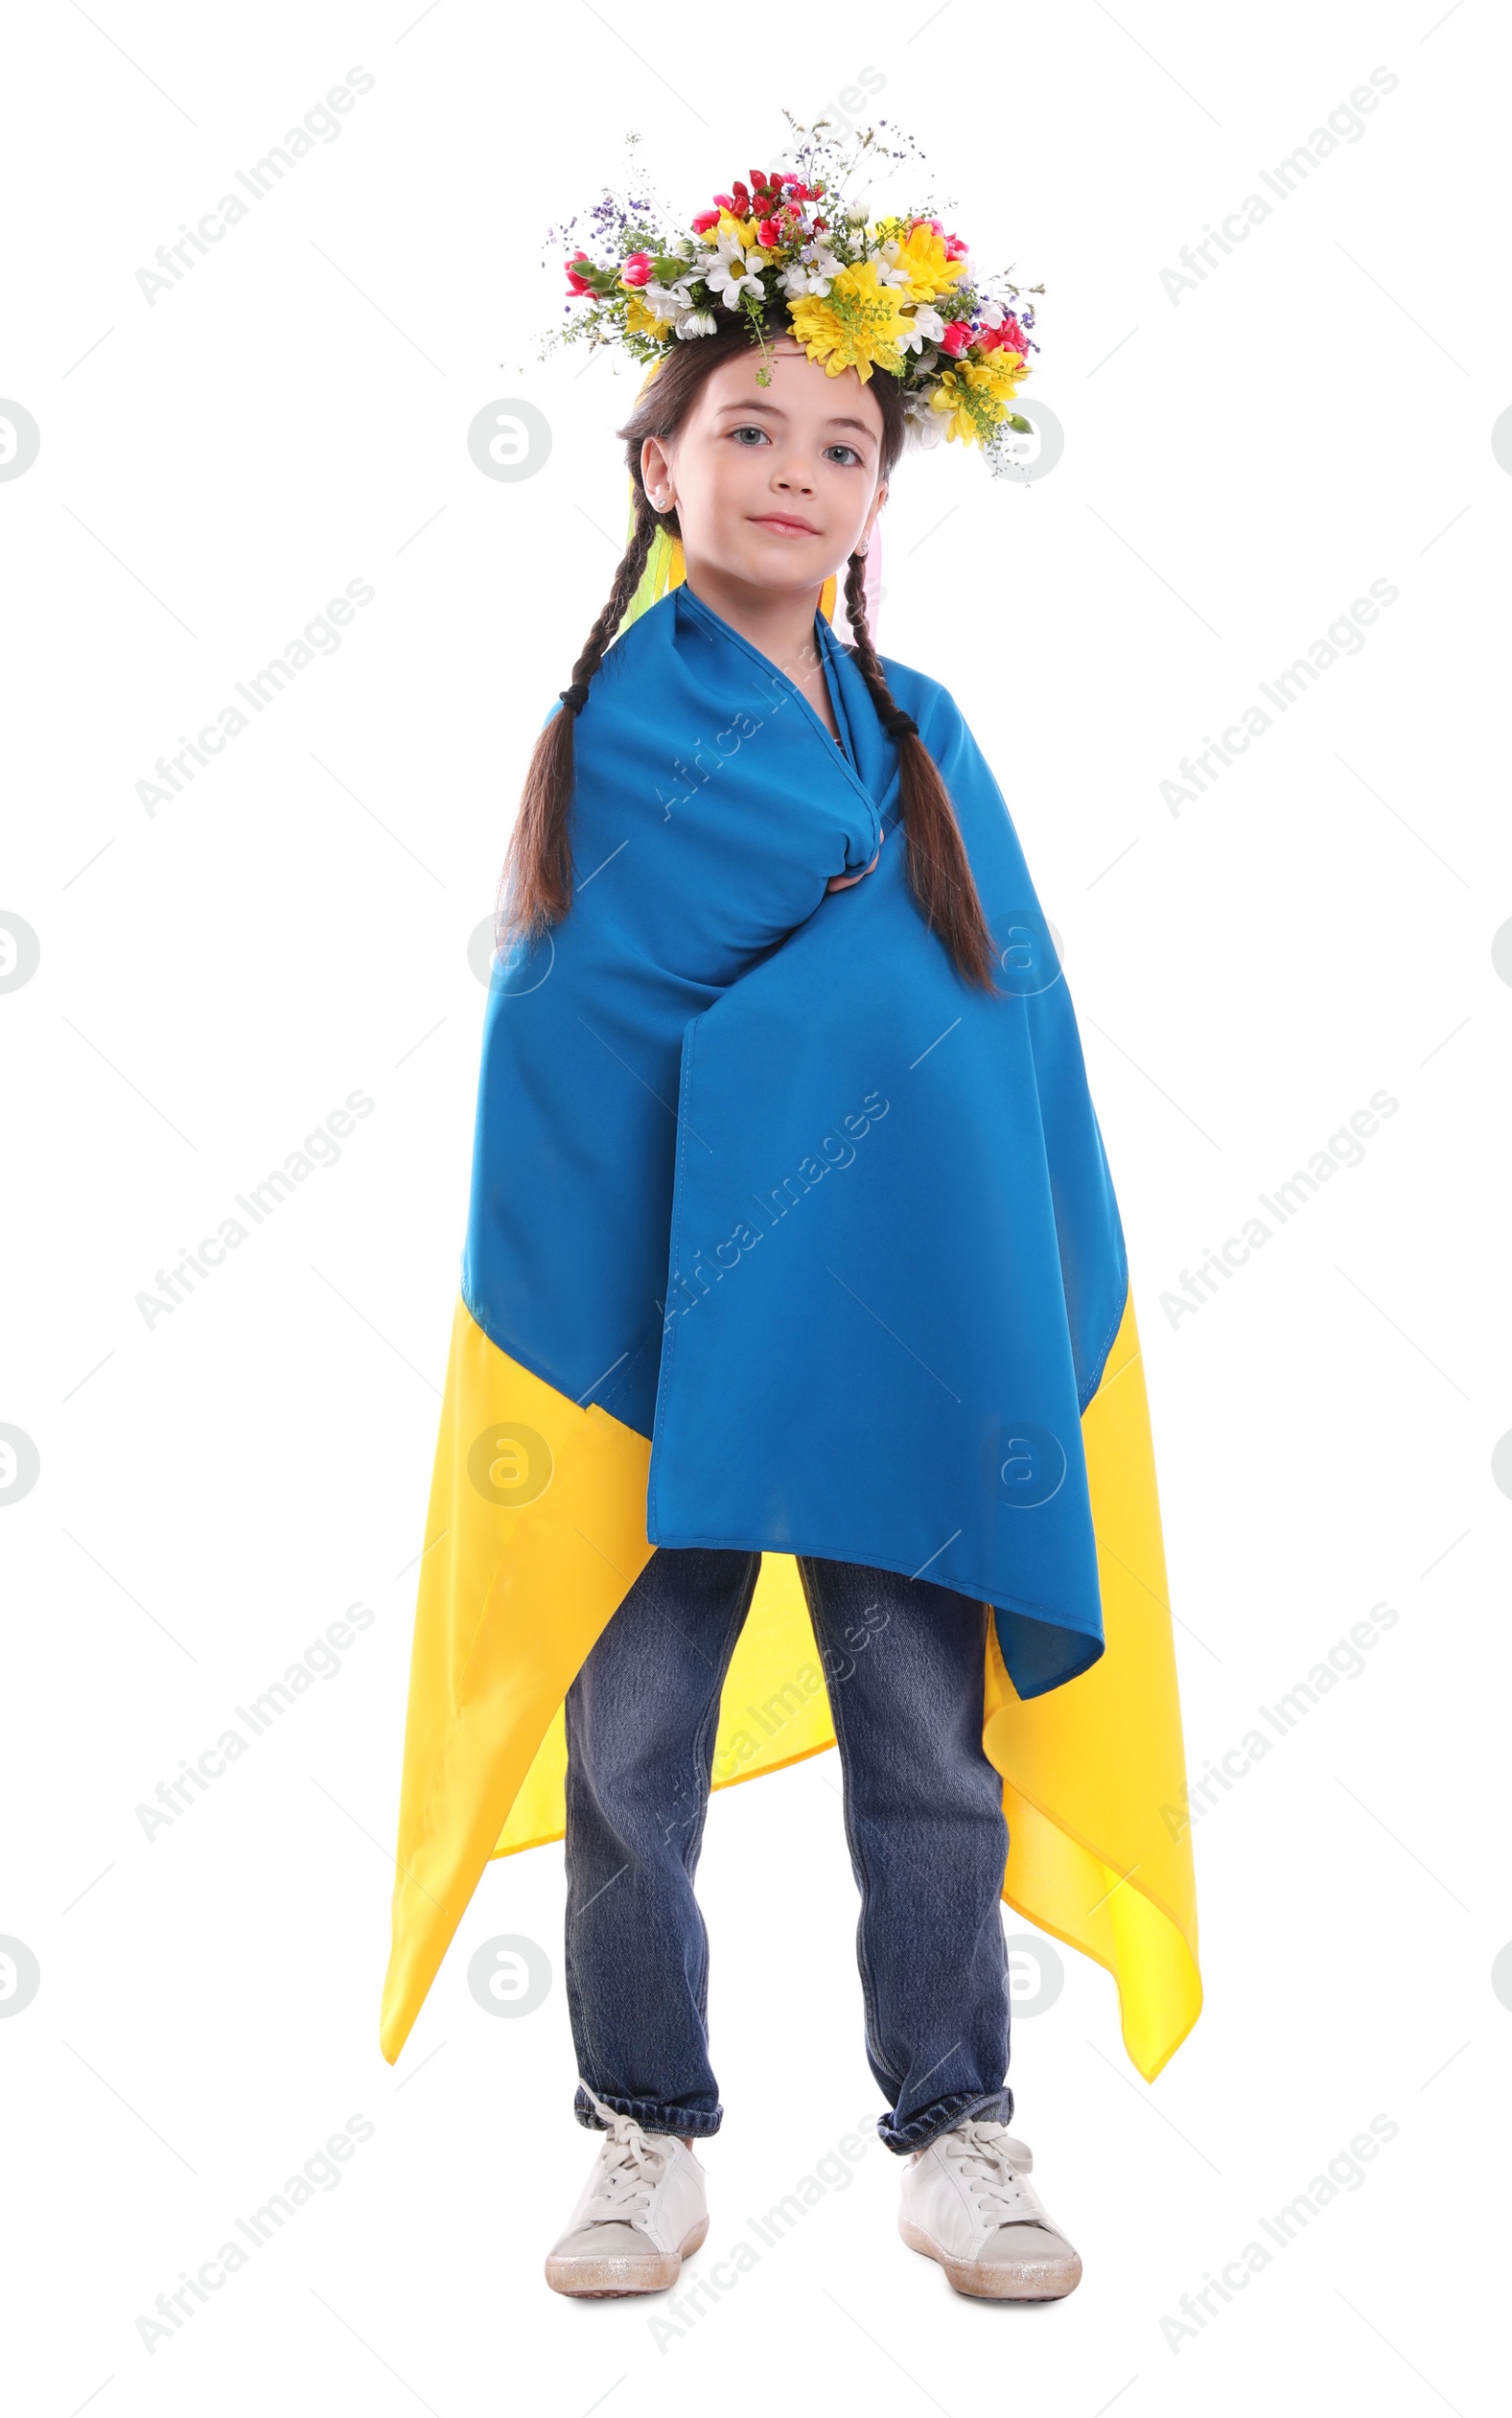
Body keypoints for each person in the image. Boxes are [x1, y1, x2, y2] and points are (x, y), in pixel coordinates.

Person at [379, 132, 1200, 2308]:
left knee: (922, 1740)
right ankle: (641, 2129)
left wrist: (952, 1214)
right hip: (649, 1322)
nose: (796, 471)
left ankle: (953, 2126)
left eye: (843, 444)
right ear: (655, 465)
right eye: (747, 427)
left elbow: (989, 1035)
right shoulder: (609, 735)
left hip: (894, 1330)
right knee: (628, 1744)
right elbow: (579, 1057)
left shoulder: (923, 736)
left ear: (874, 500)